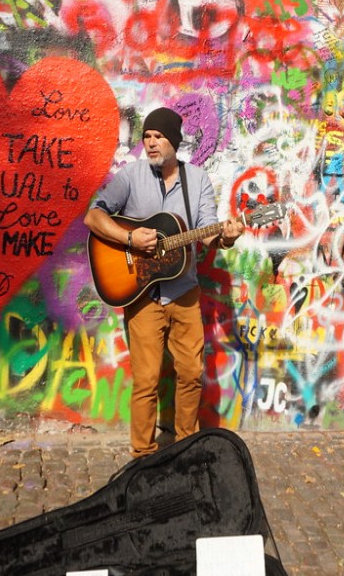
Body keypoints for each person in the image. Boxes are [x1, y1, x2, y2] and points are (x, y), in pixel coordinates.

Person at [84, 107, 244, 457]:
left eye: (158, 137)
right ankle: (143, 456)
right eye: (147, 137)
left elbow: (207, 234)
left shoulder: (197, 180)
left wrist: (227, 237)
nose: (151, 143)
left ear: (174, 141)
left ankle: (186, 447)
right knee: (145, 382)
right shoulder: (131, 176)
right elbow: (94, 216)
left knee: (191, 373)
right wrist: (129, 241)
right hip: (142, 296)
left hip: (183, 292)